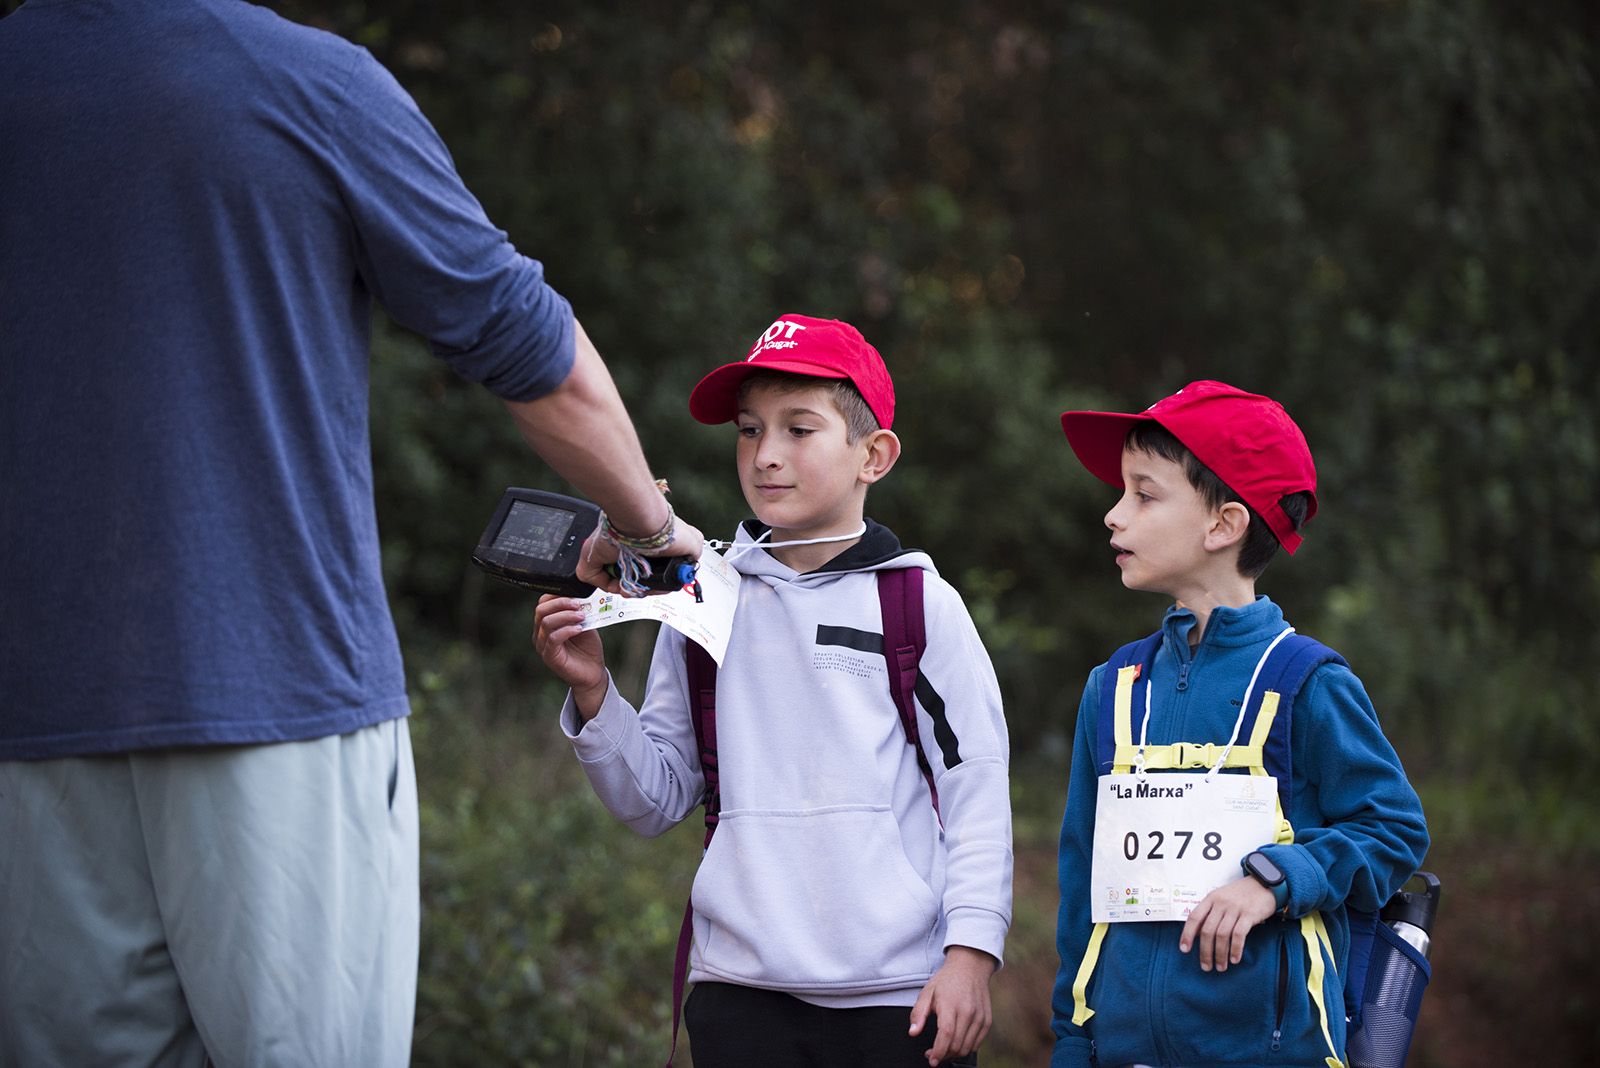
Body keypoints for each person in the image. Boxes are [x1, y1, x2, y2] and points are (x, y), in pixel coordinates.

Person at [0, 1, 698, 1065]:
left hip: (31, 722)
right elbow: (530, 350)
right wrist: (652, 529)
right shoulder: (302, 84)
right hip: (274, 692)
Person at [533, 315, 1013, 1068]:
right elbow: (656, 800)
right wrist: (596, 695)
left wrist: (972, 955)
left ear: (873, 456)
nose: (767, 456)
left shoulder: (916, 601)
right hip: (738, 994)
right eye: (750, 431)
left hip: (902, 995)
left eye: (799, 429)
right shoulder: (698, 595)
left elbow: (974, 787)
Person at [1050, 381, 1429, 1068]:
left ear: (1223, 525)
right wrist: (1075, 1045)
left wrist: (1276, 880)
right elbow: (1082, 886)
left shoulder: (1310, 682)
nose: (1113, 515)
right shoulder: (1111, 690)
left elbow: (1394, 829)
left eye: (1144, 493)